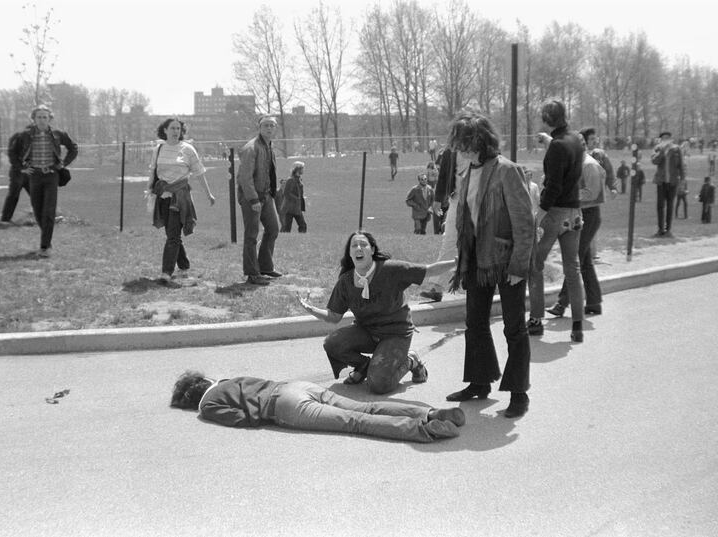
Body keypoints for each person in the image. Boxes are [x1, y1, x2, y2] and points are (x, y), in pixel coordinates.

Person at [443, 110, 535, 419]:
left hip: (506, 261)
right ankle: (479, 382)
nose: (461, 149)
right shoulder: (467, 172)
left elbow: (525, 223)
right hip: (475, 260)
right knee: (475, 323)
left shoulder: (507, 171)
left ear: (481, 141)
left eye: (465, 143)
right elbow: (466, 218)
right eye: (458, 143)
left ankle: (519, 393)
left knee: (514, 327)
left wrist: (519, 266)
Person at [296, 231, 455, 395]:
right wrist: (309, 308)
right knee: (332, 343)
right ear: (350, 253)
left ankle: (410, 360)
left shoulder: (390, 270)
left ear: (372, 250)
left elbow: (428, 270)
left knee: (378, 385)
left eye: (363, 244)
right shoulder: (346, 281)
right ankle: (364, 366)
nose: (359, 248)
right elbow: (333, 317)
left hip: (396, 334)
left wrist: (456, 262)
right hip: (367, 332)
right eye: (354, 245)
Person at [170, 371, 466, 443]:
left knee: (355, 422)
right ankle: (428, 412)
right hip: (295, 387)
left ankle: (424, 430)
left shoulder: (206, 404)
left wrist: (258, 419)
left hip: (283, 406)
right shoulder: (226, 379)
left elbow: (238, 419)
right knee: (368, 407)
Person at [527, 100, 585, 343]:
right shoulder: (576, 140)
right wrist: (549, 141)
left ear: (548, 119)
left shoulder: (557, 147)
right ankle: (577, 327)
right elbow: (565, 153)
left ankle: (536, 320)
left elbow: (553, 186)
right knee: (573, 268)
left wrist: (539, 214)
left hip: (556, 213)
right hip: (575, 213)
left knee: (534, 263)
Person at [148, 117, 215, 282]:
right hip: (163, 196)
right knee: (172, 233)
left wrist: (209, 194)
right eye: (172, 128)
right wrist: (150, 190)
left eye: (178, 128)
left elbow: (199, 173)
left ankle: (166, 273)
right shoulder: (159, 148)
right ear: (165, 130)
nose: (175, 131)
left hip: (180, 198)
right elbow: (153, 171)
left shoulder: (188, 149)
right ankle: (184, 266)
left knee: (172, 236)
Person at [546, 135, 607, 318]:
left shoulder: (589, 165)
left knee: (574, 260)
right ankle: (594, 302)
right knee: (585, 260)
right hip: (577, 213)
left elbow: (592, 192)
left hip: (588, 214)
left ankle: (562, 303)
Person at [7, 105, 78, 257]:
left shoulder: (58, 134)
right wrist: (21, 168)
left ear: (50, 119)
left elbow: (73, 148)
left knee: (49, 210)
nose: (42, 120)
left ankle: (45, 247)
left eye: (45, 117)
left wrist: (63, 163)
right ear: (33, 119)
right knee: (38, 210)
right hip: (34, 176)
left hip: (51, 175)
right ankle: (47, 239)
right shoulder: (24, 135)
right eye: (38, 117)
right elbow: (12, 152)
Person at [236, 115, 282, 286]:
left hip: (266, 196)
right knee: (251, 236)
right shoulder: (251, 148)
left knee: (273, 228)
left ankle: (265, 266)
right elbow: (244, 177)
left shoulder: (269, 146)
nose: (269, 128)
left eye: (272, 125)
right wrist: (253, 199)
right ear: (259, 127)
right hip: (252, 198)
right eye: (265, 125)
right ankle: (252, 273)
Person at [420, 147, 461, 302]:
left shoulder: (483, 143)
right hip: (457, 200)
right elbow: (443, 174)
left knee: (483, 242)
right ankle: (436, 287)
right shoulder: (452, 149)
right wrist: (437, 199)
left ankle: (494, 282)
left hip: (480, 202)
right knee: (449, 240)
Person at [650, 131, 685, 238]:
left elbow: (681, 166)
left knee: (670, 205)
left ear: (671, 138)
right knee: (660, 206)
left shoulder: (676, 149)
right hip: (661, 182)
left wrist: (682, 180)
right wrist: (662, 151)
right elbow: (654, 161)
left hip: (673, 182)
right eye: (663, 138)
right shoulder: (657, 148)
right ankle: (660, 230)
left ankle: (668, 230)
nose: (665, 140)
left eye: (667, 138)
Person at [0, 132, 31, 225]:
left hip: (30, 172)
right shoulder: (19, 137)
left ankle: (46, 217)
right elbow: (12, 155)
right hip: (18, 172)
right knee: (13, 195)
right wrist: (21, 168)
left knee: (37, 196)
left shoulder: (38, 137)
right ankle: (5, 219)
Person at [280, 161, 307, 233]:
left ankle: (301, 240)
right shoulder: (290, 180)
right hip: (289, 208)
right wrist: (296, 199)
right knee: (287, 228)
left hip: (297, 208)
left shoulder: (299, 180)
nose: (303, 170)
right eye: (302, 169)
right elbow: (286, 193)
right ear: (298, 169)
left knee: (303, 225)